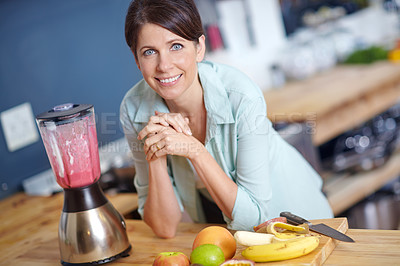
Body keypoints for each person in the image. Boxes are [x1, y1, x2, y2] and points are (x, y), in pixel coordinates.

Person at [120, 0, 333, 239]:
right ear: (136, 59)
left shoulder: (241, 97)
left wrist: (196, 151)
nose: (164, 65)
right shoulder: (134, 109)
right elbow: (163, 228)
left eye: (176, 46)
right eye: (149, 52)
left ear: (199, 47)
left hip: (300, 221)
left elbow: (255, 218)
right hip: (231, 234)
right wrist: (155, 156)